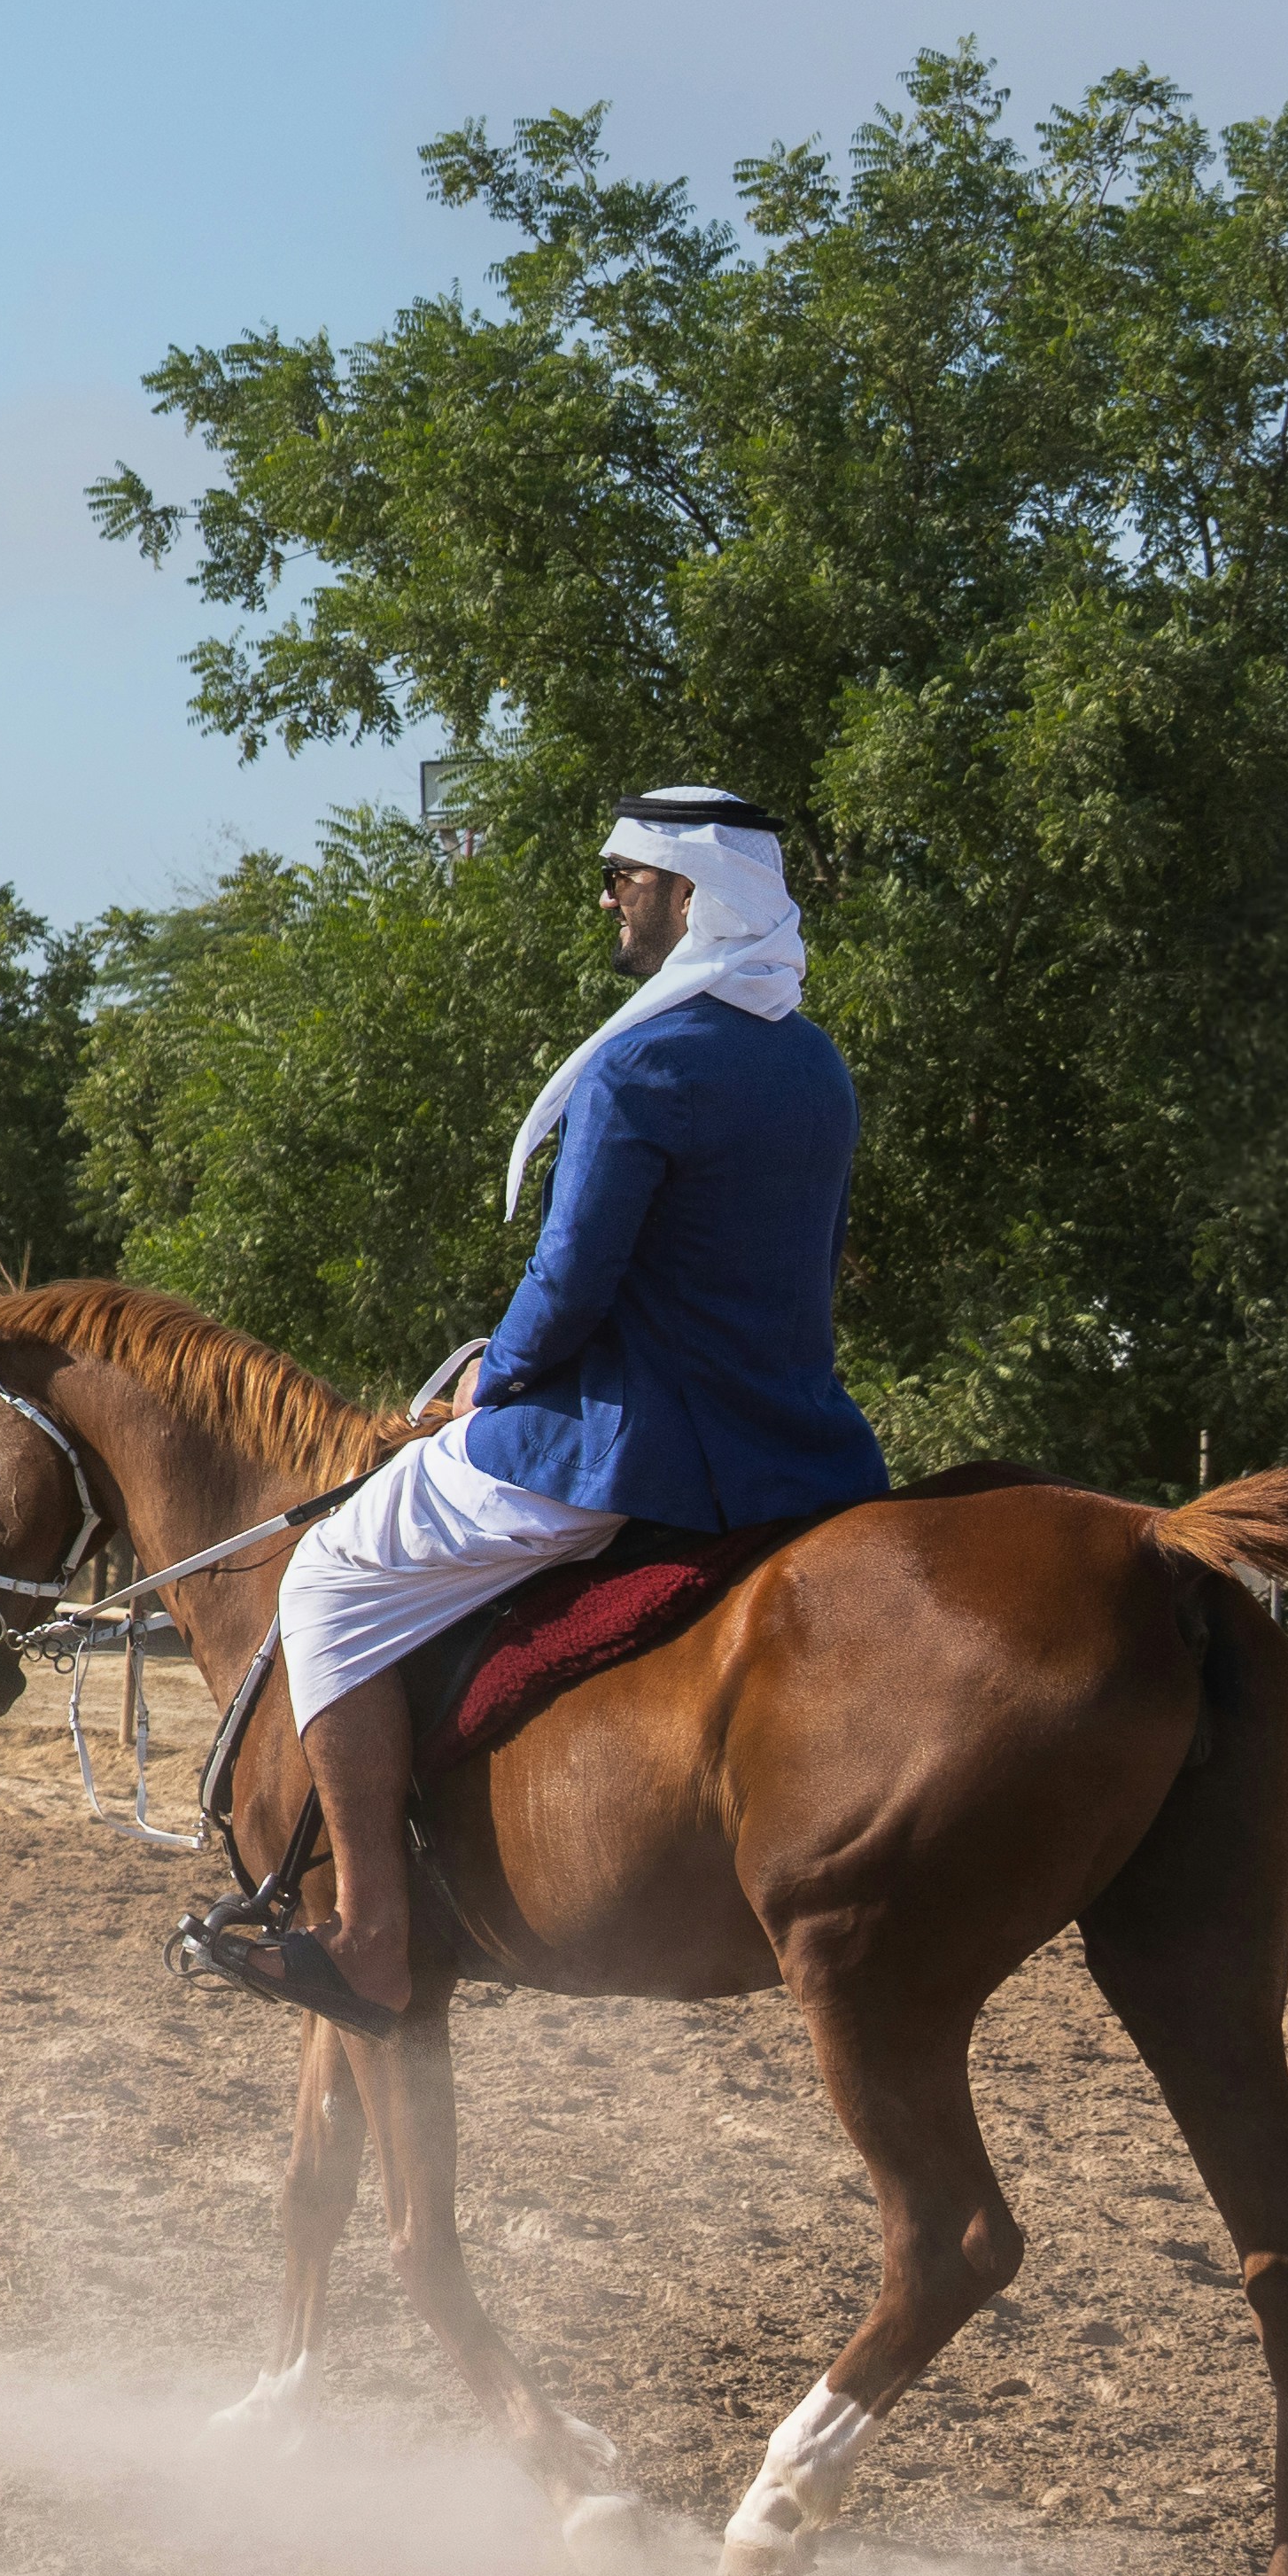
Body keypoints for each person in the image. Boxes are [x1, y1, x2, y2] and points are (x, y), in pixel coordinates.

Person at [210, 782, 885, 2031]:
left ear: (690, 896)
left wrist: (490, 1379)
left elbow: (569, 1280)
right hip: (796, 1449)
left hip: (620, 1450)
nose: (607, 895)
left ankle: (362, 1934)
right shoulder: (814, 1064)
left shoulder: (640, 1065)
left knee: (326, 1578)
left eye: (624, 874)